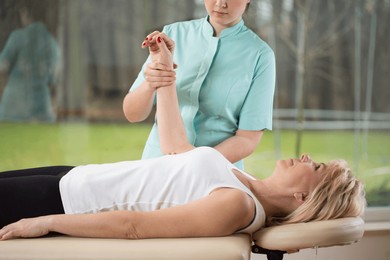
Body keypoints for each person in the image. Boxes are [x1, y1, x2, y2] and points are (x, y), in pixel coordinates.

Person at [0, 37, 365, 241]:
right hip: (75, 178)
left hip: (65, 202)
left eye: (315, 166)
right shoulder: (247, 183)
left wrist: (47, 221)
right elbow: (175, 147)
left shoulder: (239, 206)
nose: (306, 157)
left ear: (304, 197)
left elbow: (135, 226)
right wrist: (166, 69)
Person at [123, 0, 276, 169]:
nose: (220, 3)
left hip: (214, 173)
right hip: (157, 166)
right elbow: (133, 114)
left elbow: (247, 139)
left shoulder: (261, 56)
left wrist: (198, 165)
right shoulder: (172, 34)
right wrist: (151, 83)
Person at [0, 1, 60, 122]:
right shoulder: (52, 43)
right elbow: (55, 81)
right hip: (42, 111)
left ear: (25, 13)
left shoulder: (17, 37)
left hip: (12, 109)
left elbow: (2, 69)